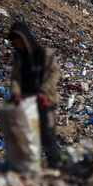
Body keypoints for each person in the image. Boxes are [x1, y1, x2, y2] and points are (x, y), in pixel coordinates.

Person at [9, 21, 67, 169]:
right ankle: (30, 165)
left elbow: (55, 73)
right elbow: (15, 78)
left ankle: (55, 164)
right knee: (28, 135)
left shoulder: (45, 54)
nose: (19, 45)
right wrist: (15, 94)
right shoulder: (20, 58)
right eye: (16, 43)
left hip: (45, 102)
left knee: (47, 134)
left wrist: (43, 90)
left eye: (21, 42)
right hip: (27, 102)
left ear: (27, 39)